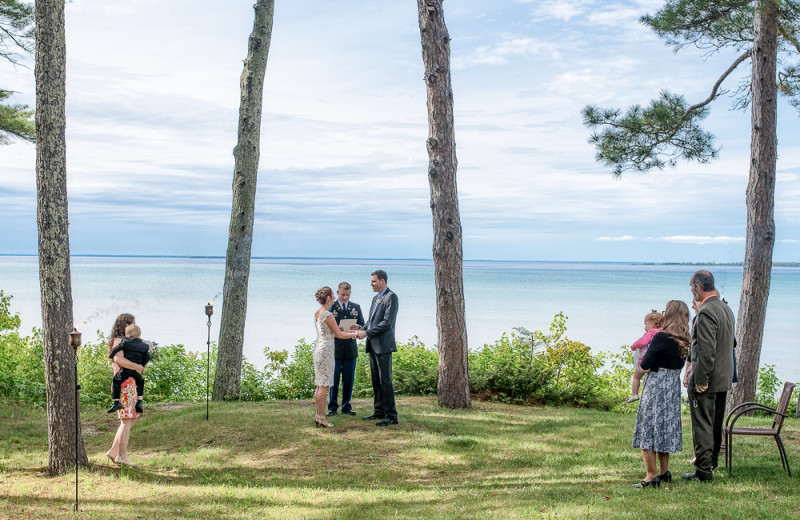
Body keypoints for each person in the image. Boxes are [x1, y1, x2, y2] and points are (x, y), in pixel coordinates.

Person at [683, 271, 735, 482]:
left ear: (698, 287)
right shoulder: (726, 309)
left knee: (702, 424)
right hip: (724, 377)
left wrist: (701, 379)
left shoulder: (705, 313)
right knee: (715, 423)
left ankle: (703, 470)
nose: (691, 292)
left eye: (690, 288)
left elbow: (706, 350)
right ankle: (711, 461)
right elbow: (731, 343)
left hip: (708, 378)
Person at [631, 300, 690, 488]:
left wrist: (641, 367)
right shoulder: (685, 340)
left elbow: (645, 364)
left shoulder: (661, 338)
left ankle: (651, 475)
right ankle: (665, 472)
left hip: (656, 386)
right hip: (672, 388)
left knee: (647, 428)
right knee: (665, 428)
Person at [356, 270, 399, 426]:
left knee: (385, 380)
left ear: (382, 281)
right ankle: (379, 411)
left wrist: (366, 333)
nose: (371, 284)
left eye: (373, 281)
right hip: (373, 345)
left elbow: (387, 323)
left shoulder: (391, 297)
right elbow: (371, 322)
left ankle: (391, 415)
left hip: (383, 345)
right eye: (371, 281)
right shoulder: (376, 298)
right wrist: (360, 327)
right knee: (376, 380)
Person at [313, 286, 358, 427]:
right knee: (325, 385)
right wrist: (356, 334)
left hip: (320, 347)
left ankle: (318, 415)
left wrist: (340, 330)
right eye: (332, 296)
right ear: (328, 298)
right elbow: (338, 335)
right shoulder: (328, 314)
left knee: (320, 384)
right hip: (326, 350)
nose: (334, 298)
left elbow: (330, 331)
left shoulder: (318, 313)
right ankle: (321, 416)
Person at [104, 313, 145, 466]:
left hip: (130, 385)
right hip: (124, 385)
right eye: (133, 323)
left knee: (130, 419)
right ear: (126, 326)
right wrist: (137, 366)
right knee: (126, 420)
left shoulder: (125, 343)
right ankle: (122, 456)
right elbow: (118, 359)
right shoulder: (119, 342)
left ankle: (114, 451)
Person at [326, 282, 364, 417]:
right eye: (342, 295)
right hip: (335, 349)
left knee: (348, 380)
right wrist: (336, 329)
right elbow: (325, 328)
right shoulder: (331, 307)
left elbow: (363, 324)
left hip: (350, 348)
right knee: (333, 380)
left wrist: (357, 327)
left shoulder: (356, 307)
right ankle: (332, 407)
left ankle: (346, 406)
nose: (344, 298)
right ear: (337, 293)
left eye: (347, 295)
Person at [107, 324, 150, 414]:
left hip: (126, 369)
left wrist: (111, 355)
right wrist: (142, 365)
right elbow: (147, 357)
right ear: (139, 335)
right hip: (136, 371)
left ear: (127, 335)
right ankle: (140, 402)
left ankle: (116, 402)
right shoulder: (145, 346)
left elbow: (116, 349)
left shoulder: (125, 342)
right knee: (140, 382)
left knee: (116, 381)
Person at [625, 311, 663, 403]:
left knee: (636, 377)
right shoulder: (663, 332)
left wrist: (634, 346)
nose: (644, 327)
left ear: (652, 324)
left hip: (645, 360)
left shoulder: (650, 333)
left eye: (646, 324)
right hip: (657, 361)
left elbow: (642, 342)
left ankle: (634, 394)